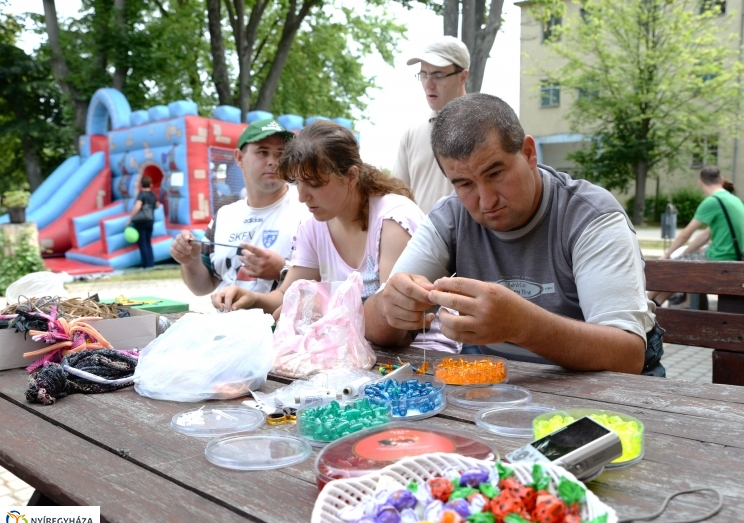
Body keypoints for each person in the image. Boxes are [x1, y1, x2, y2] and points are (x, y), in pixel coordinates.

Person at [365, 93, 662, 376]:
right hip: (494, 390)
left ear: (529, 153)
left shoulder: (590, 216)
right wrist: (389, 309)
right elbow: (372, 324)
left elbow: (627, 355)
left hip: (600, 397)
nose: (486, 200)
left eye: (495, 174)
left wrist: (523, 326)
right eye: (465, 184)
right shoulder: (451, 216)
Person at [211, 122, 454, 351]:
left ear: (351, 176)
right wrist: (252, 298)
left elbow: (391, 328)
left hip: (423, 357)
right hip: (352, 352)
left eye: (314, 184)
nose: (302, 196)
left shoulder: (393, 219)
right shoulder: (313, 224)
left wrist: (317, 307)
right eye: (297, 183)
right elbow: (288, 296)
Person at [169, 119, 306, 296]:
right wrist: (190, 261)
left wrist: (282, 269)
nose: (273, 161)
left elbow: (328, 280)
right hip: (226, 322)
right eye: (263, 152)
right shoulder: (225, 216)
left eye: (280, 153)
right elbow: (202, 288)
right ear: (239, 158)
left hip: (280, 323)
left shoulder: (308, 208)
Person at [648, 166, 744, 307]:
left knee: (669, 267)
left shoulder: (713, 201)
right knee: (681, 261)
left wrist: (667, 254)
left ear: (700, 182)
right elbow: (706, 234)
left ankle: (646, 304)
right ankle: (656, 303)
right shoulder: (733, 199)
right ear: (721, 180)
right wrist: (685, 253)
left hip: (719, 259)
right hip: (734, 256)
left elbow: (685, 234)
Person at [393, 36, 470, 214]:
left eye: (438, 75)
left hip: (468, 240)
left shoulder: (485, 129)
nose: (428, 84)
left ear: (463, 76)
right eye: (423, 74)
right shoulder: (411, 135)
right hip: (418, 240)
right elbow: (396, 201)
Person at [128, 175, 158, 269]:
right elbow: (157, 205)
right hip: (150, 220)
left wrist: (130, 219)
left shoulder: (141, 194)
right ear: (151, 185)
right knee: (148, 242)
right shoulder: (153, 195)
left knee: (143, 243)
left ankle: (146, 265)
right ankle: (151, 263)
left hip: (141, 221)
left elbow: (137, 206)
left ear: (141, 185)